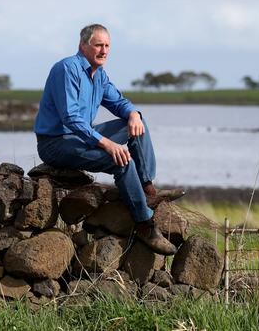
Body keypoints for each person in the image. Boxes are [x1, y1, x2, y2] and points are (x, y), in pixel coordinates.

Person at [34, 24, 183, 255]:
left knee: (135, 124)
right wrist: (106, 143)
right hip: (55, 142)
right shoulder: (67, 69)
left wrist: (133, 114)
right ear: (83, 45)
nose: (104, 51)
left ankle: (147, 188)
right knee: (120, 160)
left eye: (107, 46)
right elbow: (71, 118)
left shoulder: (99, 75)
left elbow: (119, 102)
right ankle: (145, 225)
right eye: (98, 45)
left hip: (81, 136)